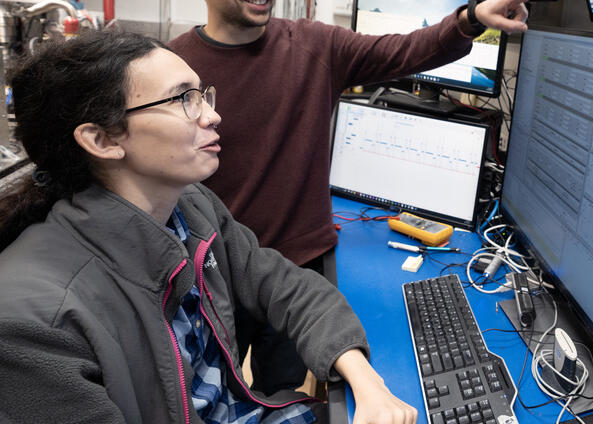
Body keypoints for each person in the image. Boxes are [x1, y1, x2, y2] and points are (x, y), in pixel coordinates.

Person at [167, 0, 551, 392]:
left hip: (297, 270)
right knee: (211, 393)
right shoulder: (173, 68)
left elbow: (403, 50)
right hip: (214, 270)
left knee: (280, 394)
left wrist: (470, 19)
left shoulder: (313, 47)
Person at [0, 30, 417, 424]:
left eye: (202, 95)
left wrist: (368, 383)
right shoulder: (33, 324)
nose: (213, 115)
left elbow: (285, 285)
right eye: (183, 99)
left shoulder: (189, 206)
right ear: (102, 140)